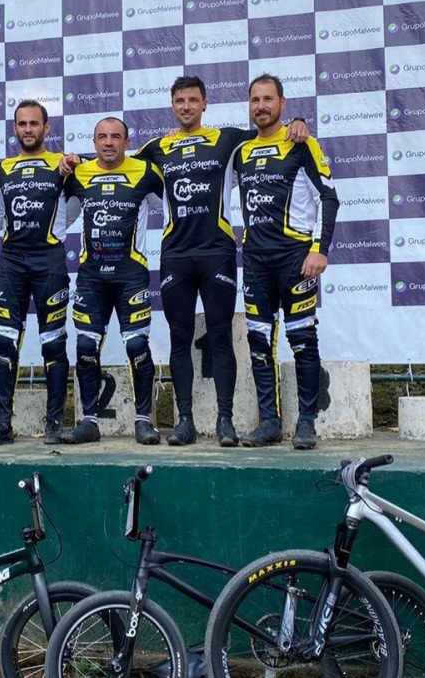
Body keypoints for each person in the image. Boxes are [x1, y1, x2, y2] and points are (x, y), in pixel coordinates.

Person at [65, 76, 310, 446]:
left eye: (193, 100)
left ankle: (225, 421)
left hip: (217, 253)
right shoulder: (157, 147)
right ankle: (185, 422)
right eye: (179, 100)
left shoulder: (227, 139)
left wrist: (298, 121)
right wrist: (73, 161)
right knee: (179, 340)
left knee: (220, 336)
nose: (186, 106)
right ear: (172, 105)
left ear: (205, 103)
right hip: (175, 256)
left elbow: (267, 129)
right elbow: (114, 162)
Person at [231, 74, 339, 450]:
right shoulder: (241, 151)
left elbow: (329, 197)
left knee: (302, 339)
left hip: (296, 258)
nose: (261, 106)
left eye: (268, 99)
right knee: (258, 342)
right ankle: (270, 422)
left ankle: (306, 421)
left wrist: (319, 249)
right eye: (255, 100)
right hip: (256, 261)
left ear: (282, 103)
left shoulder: (301, 142)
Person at [0, 100, 73, 447]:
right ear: (14, 129)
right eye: (21, 124)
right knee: (3, 344)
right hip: (12, 262)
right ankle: (2, 425)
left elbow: (83, 199)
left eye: (34, 123)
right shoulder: (4, 169)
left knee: (54, 344)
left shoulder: (64, 165)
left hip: (49, 261)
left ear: (47, 128)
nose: (28, 129)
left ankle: (54, 424)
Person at [61, 117, 163, 445]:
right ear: (93, 143)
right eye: (102, 137)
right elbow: (63, 218)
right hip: (92, 278)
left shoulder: (145, 172)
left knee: (137, 347)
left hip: (131, 275)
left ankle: (144, 420)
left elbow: (174, 208)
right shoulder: (78, 174)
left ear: (126, 140)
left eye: (115, 136)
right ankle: (89, 421)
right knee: (86, 347)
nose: (108, 142)